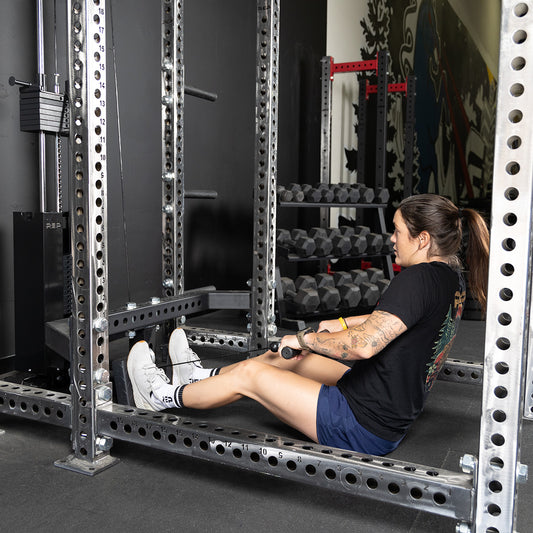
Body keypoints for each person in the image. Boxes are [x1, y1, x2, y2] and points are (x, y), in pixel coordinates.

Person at [127, 193, 489, 455]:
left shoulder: (416, 279)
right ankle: (200, 379)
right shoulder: (448, 277)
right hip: (381, 400)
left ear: (422, 239)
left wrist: (307, 339)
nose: (391, 239)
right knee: (287, 358)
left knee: (255, 376)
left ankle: (160, 397)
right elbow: (390, 320)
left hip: (363, 423)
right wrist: (334, 324)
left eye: (397, 231)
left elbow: (364, 345)